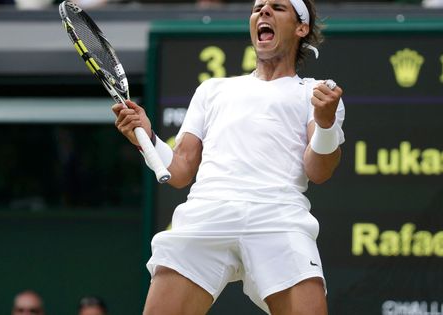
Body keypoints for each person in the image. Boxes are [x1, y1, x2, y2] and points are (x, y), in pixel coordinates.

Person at [112, 0, 344, 312]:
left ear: (301, 28)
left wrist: (326, 122)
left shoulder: (314, 93)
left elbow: (319, 170)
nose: (263, 11)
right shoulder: (212, 90)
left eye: (277, 7)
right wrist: (147, 138)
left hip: (278, 217)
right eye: (258, 6)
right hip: (208, 212)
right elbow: (180, 170)